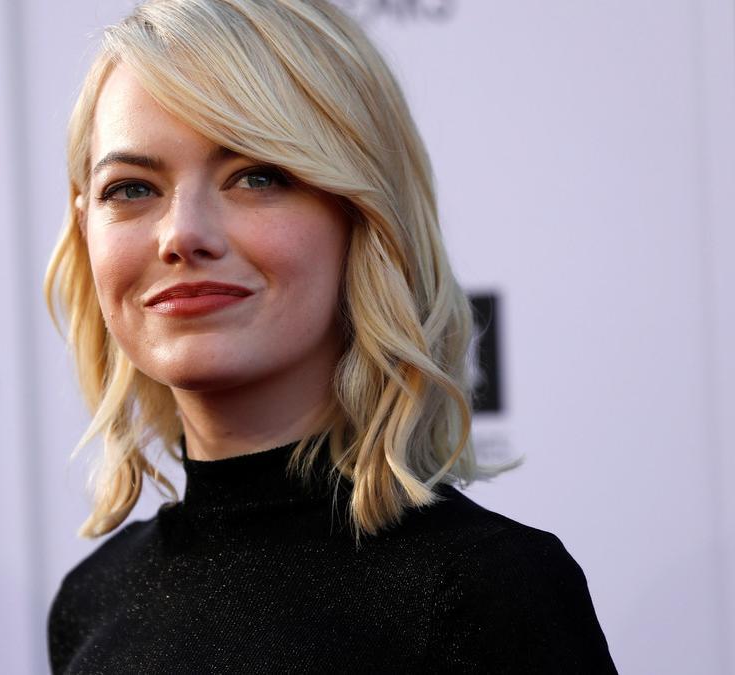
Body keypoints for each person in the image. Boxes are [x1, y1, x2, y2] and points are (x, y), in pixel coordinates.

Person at [43, 0, 617, 672]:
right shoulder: (91, 600)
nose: (182, 234)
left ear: (362, 214)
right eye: (133, 188)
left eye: (257, 175)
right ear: (86, 228)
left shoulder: (483, 590)